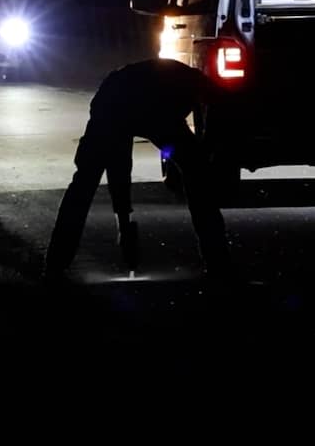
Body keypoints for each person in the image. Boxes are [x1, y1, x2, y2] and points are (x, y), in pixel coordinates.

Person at [43, 58, 232, 282]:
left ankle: (56, 264)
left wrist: (125, 222)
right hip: (118, 103)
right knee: (87, 178)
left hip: (129, 95)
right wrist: (124, 220)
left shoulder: (187, 86)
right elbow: (120, 165)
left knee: (86, 181)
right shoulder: (177, 92)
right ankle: (217, 259)